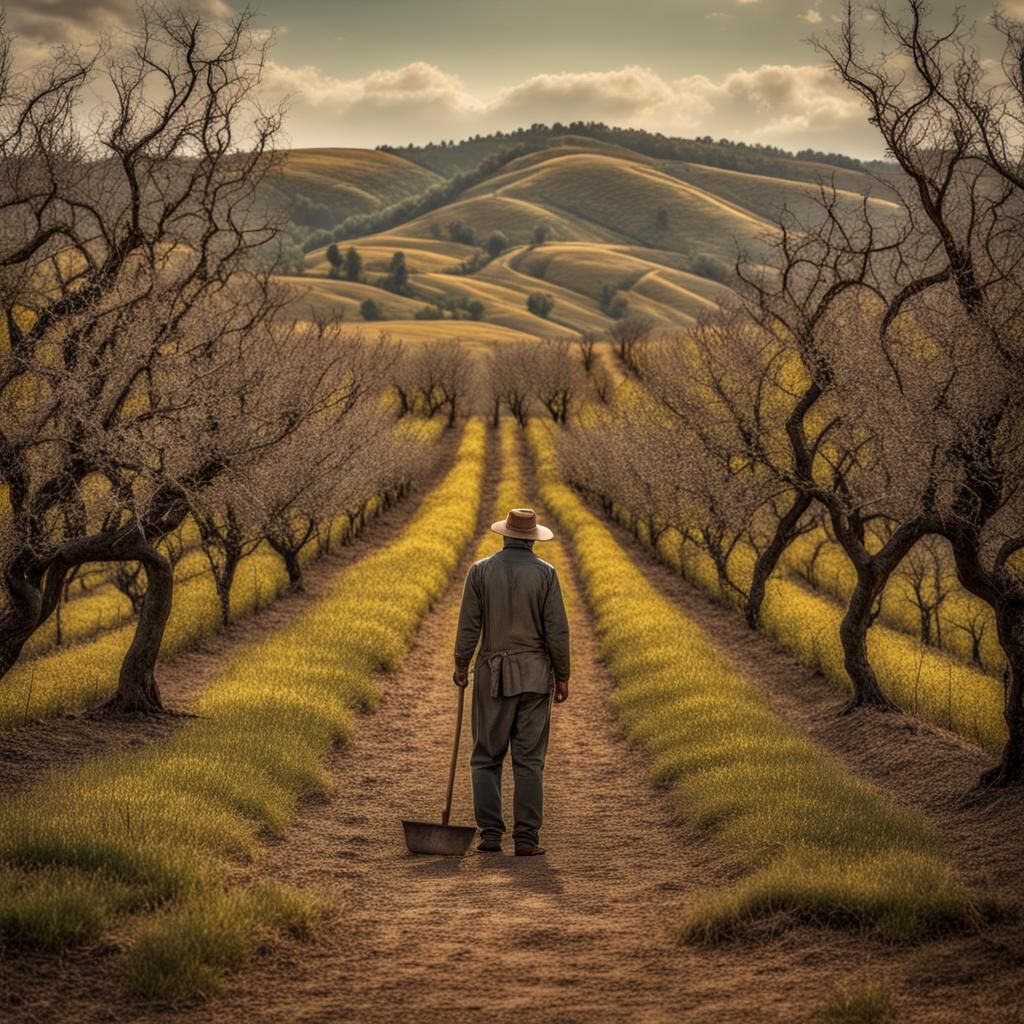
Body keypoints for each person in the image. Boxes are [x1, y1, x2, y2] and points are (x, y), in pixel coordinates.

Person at [453, 507, 570, 856]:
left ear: (504, 536)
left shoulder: (480, 571)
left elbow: (468, 628)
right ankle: (526, 839)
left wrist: (462, 665)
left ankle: (490, 835)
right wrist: (562, 676)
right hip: (535, 677)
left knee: (486, 757)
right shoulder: (547, 575)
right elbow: (557, 633)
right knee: (529, 760)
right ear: (533, 540)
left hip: (492, 676)